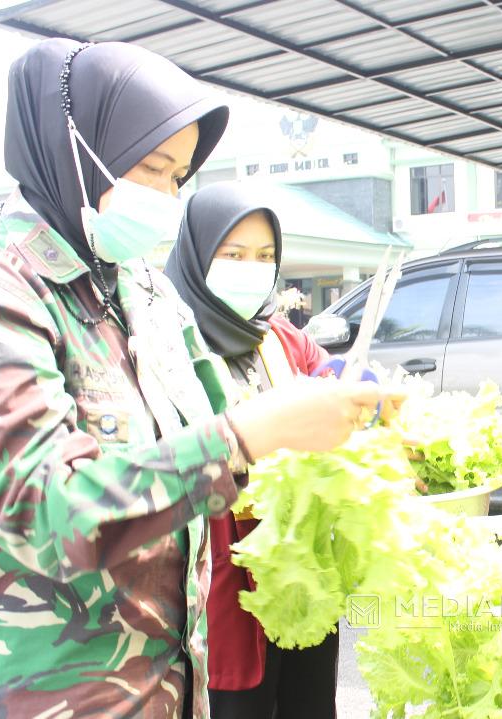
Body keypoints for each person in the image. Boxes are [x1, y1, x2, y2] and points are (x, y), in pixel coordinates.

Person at [0, 40, 388, 718]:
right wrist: (247, 435)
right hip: (41, 696)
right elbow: (45, 512)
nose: (167, 197)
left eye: (179, 176)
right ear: (74, 150)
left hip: (165, 685)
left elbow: (220, 435)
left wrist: (337, 438)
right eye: (151, 168)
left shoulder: (141, 290)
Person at [164, 182, 338, 718]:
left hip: (302, 570)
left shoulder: (280, 337)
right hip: (224, 584)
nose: (252, 269)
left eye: (265, 257)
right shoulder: (168, 342)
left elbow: (330, 380)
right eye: (234, 254)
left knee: (310, 705)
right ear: (197, 256)